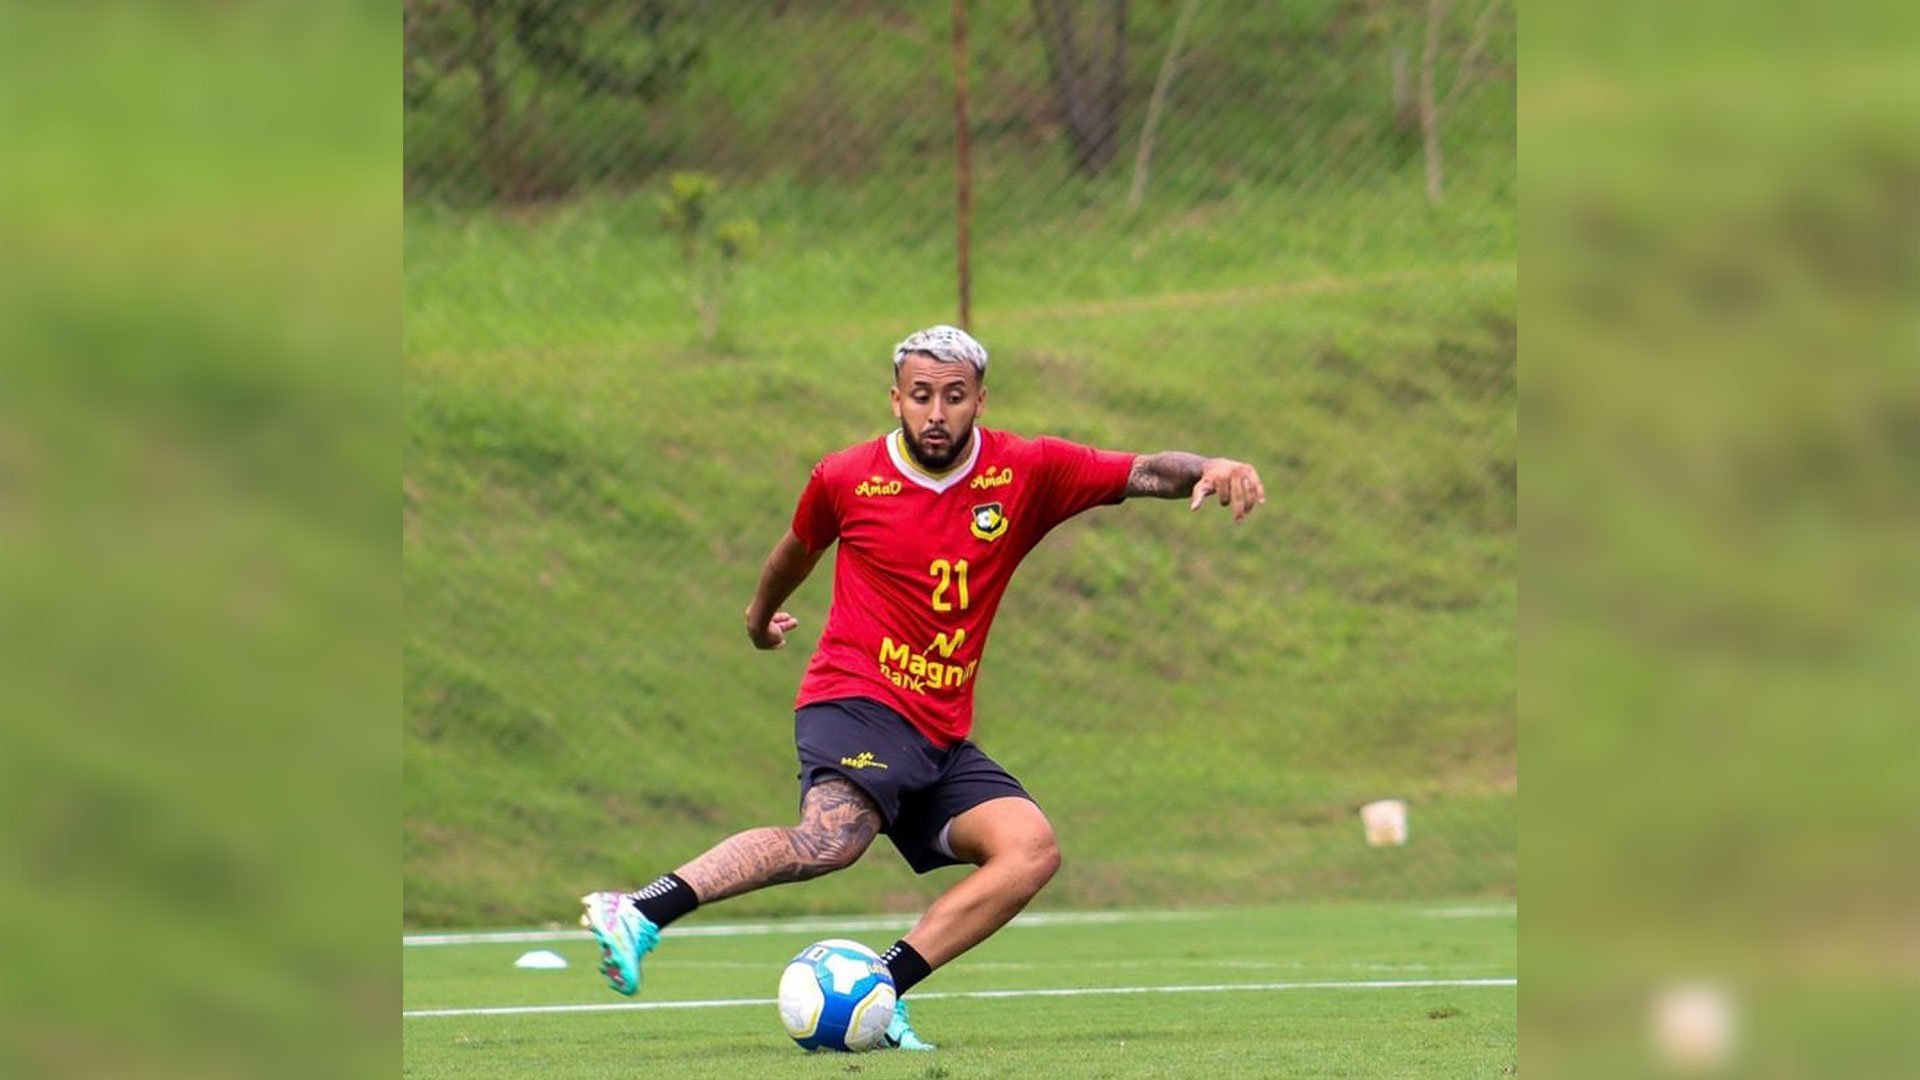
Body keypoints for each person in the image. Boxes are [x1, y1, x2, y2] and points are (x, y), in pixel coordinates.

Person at [580, 325, 1264, 1050]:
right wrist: (757, 622)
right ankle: (640, 909)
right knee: (831, 838)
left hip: (936, 730)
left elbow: (1142, 471)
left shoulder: (1024, 470)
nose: (936, 413)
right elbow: (794, 551)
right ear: (896, 398)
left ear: (980, 400)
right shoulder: (846, 477)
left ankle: (881, 985)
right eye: (921, 396)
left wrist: (1210, 466)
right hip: (854, 700)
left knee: (1030, 849)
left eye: (955, 397)